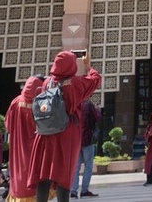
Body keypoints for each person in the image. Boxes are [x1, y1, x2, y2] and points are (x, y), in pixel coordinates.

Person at [27, 51, 102, 202]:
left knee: (44, 171)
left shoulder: (47, 82)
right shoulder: (74, 83)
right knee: (64, 171)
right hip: (65, 133)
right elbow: (95, 80)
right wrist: (88, 66)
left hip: (45, 132)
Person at [4, 76, 43, 202]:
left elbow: (8, 125)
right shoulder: (41, 102)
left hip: (18, 145)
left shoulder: (16, 102)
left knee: (19, 174)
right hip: (36, 146)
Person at [70, 99, 101, 198]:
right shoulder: (88, 105)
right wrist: (97, 109)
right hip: (87, 139)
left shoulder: (73, 104)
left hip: (75, 139)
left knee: (76, 166)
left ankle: (73, 191)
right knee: (88, 166)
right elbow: (97, 118)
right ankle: (84, 190)